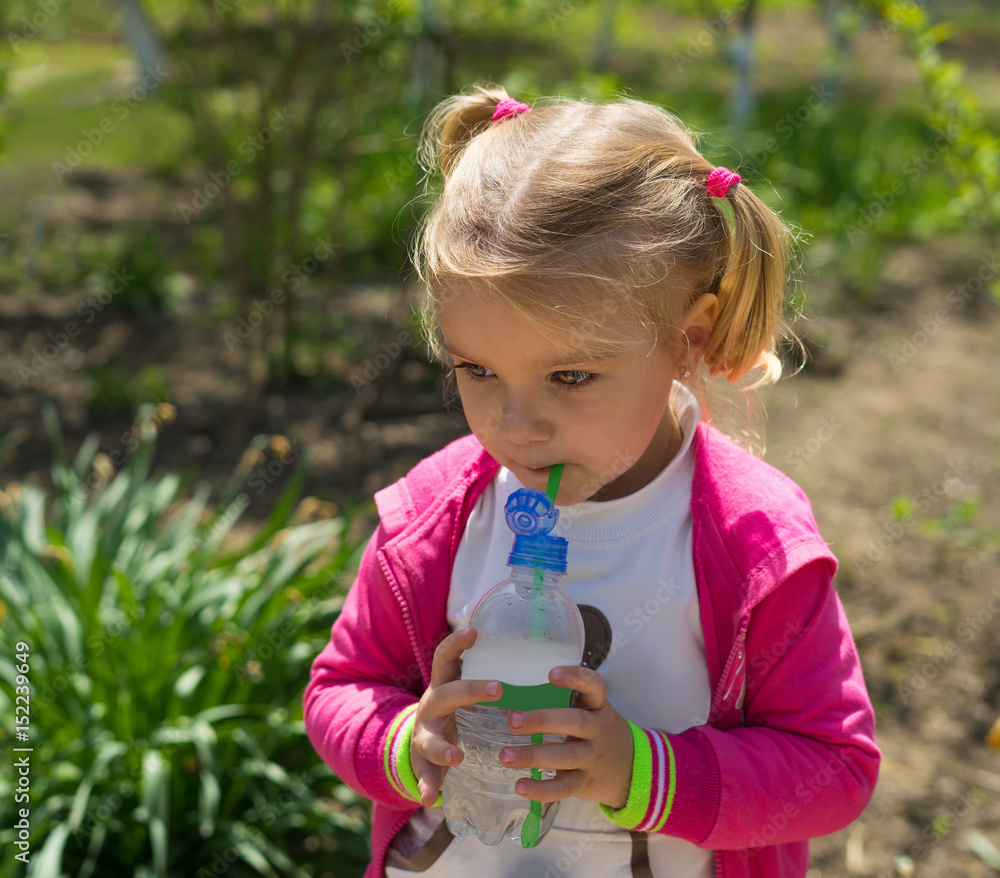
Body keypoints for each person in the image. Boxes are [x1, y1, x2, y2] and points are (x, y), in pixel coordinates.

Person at [303, 84, 880, 878]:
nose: (516, 424)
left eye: (570, 376)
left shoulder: (752, 542)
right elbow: (344, 686)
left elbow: (833, 768)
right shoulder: (438, 517)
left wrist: (642, 773)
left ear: (689, 338)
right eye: (478, 370)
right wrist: (410, 743)